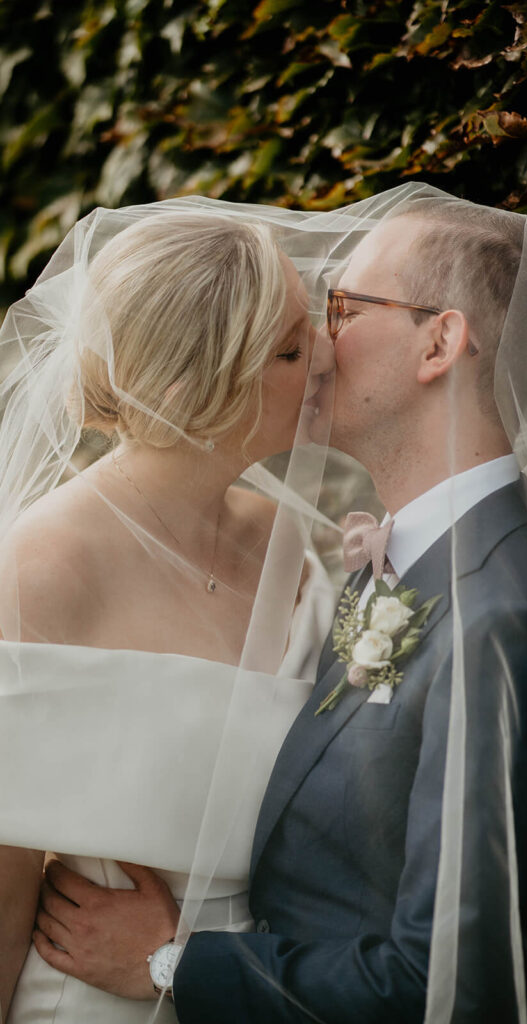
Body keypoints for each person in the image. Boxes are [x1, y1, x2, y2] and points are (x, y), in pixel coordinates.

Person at [22, 185, 527, 1023]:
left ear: (438, 343)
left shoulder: (506, 621)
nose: (321, 342)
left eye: (344, 306)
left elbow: (459, 985)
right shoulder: (395, 564)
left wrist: (175, 964)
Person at [0, 207, 338, 1022]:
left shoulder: (289, 543)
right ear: (197, 390)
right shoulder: (41, 570)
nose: (330, 359)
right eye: (292, 350)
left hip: (272, 988)